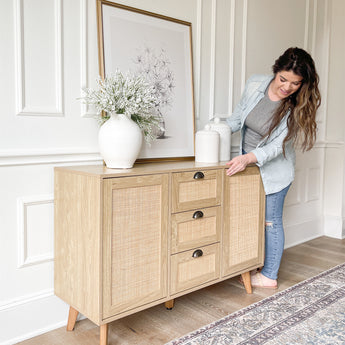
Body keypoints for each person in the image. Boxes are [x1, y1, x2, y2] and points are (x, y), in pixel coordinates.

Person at [226, 47, 321, 289]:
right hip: (246, 166)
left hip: (275, 172)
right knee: (248, 217)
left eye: (295, 83)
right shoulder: (255, 84)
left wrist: (248, 159)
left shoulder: (296, 107)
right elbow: (237, 119)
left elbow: (275, 148)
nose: (287, 87)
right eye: (283, 79)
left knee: (271, 221)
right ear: (275, 71)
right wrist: (213, 130)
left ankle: (269, 275)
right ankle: (253, 262)